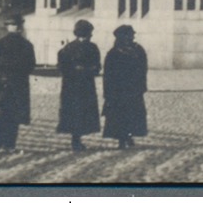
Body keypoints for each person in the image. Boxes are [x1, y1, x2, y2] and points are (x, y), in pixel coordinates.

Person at [0, 14, 36, 153]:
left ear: (8, 27)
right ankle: (10, 144)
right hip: (18, 84)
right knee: (14, 115)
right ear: (20, 27)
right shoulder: (27, 45)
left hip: (1, 82)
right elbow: (31, 66)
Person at [56, 19, 101, 150]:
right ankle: (76, 140)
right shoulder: (70, 49)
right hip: (75, 86)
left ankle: (77, 139)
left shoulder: (89, 48)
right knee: (77, 112)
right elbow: (62, 67)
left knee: (80, 112)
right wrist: (78, 69)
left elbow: (97, 66)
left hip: (80, 85)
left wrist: (89, 69)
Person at [101, 25, 148, 149]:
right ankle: (122, 139)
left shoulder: (138, 50)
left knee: (133, 114)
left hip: (133, 88)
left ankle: (129, 135)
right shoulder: (113, 53)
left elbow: (143, 69)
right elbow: (108, 74)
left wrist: (141, 85)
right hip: (118, 91)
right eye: (129, 35)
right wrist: (108, 92)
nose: (132, 37)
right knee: (119, 116)